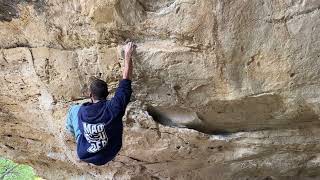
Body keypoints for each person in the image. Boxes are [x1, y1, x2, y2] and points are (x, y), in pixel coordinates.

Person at [66, 42, 136, 165]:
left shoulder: (83, 110)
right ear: (108, 94)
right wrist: (128, 54)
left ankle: (69, 130)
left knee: (73, 110)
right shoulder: (115, 107)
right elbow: (126, 80)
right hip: (108, 153)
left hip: (84, 153)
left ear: (90, 95)